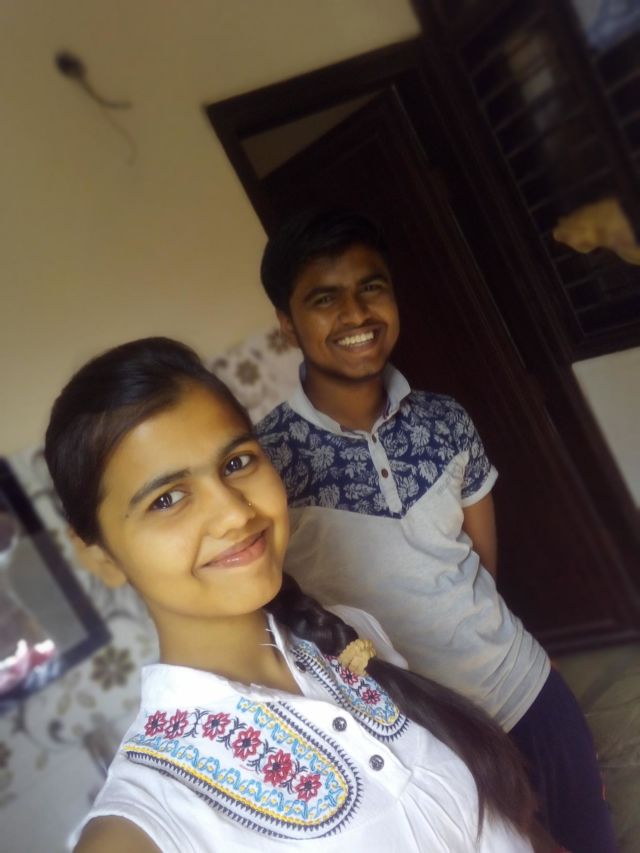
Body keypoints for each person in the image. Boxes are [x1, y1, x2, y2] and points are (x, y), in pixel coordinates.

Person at [44, 337, 544, 853]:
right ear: (99, 556)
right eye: (167, 499)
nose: (235, 513)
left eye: (236, 463)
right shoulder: (146, 821)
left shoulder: (349, 634)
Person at [255, 207, 617, 853]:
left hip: (527, 689)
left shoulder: (446, 421)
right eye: (324, 298)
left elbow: (480, 567)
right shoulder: (268, 462)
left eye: (371, 286)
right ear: (287, 323)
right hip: (428, 739)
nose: (356, 313)